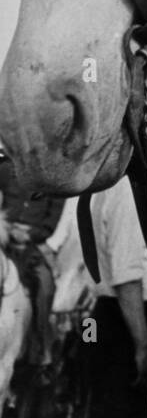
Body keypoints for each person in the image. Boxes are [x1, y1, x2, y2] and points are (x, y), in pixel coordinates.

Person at [81, 171, 147, 418]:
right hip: (130, 315)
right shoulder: (126, 187)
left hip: (118, 312)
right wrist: (142, 345)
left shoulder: (108, 182)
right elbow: (126, 273)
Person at [0, 153, 64, 372]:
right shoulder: (6, 167)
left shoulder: (56, 179)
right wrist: (6, 228)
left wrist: (29, 234)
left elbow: (50, 225)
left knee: (46, 287)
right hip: (3, 237)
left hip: (30, 245)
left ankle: (41, 348)